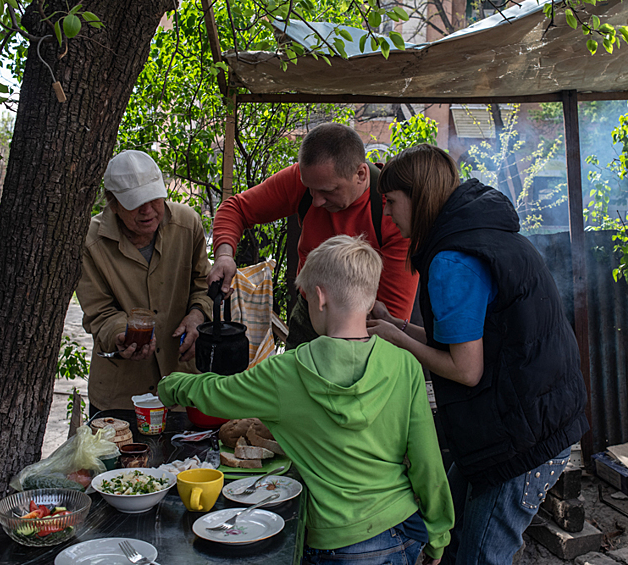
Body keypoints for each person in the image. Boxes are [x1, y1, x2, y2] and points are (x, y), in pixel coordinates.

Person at [159, 235, 454, 565]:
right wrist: (438, 535)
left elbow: (215, 394)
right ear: (370, 300)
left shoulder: (288, 371)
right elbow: (427, 462)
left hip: (338, 543)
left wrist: (170, 385)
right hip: (403, 528)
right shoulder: (405, 365)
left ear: (319, 297)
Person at [367, 144, 589, 565]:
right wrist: (397, 325)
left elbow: (466, 370)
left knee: (480, 557)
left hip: (521, 439)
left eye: (391, 202)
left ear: (419, 197)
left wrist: (399, 343)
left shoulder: (453, 259)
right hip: (528, 419)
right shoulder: (481, 234)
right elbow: (467, 341)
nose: (388, 216)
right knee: (449, 532)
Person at [208, 122, 418, 348]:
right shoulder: (308, 179)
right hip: (309, 314)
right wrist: (224, 256)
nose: (316, 201)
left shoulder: (394, 215)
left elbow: (391, 316)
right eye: (310, 189)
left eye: (328, 191)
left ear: (360, 173)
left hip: (365, 328)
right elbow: (236, 209)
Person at [77, 150, 213, 412]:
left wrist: (198, 315)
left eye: (153, 199)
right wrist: (121, 334)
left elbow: (203, 286)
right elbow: (99, 312)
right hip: (122, 396)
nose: (148, 211)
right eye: (135, 203)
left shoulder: (188, 224)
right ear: (113, 204)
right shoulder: (90, 243)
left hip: (182, 385)